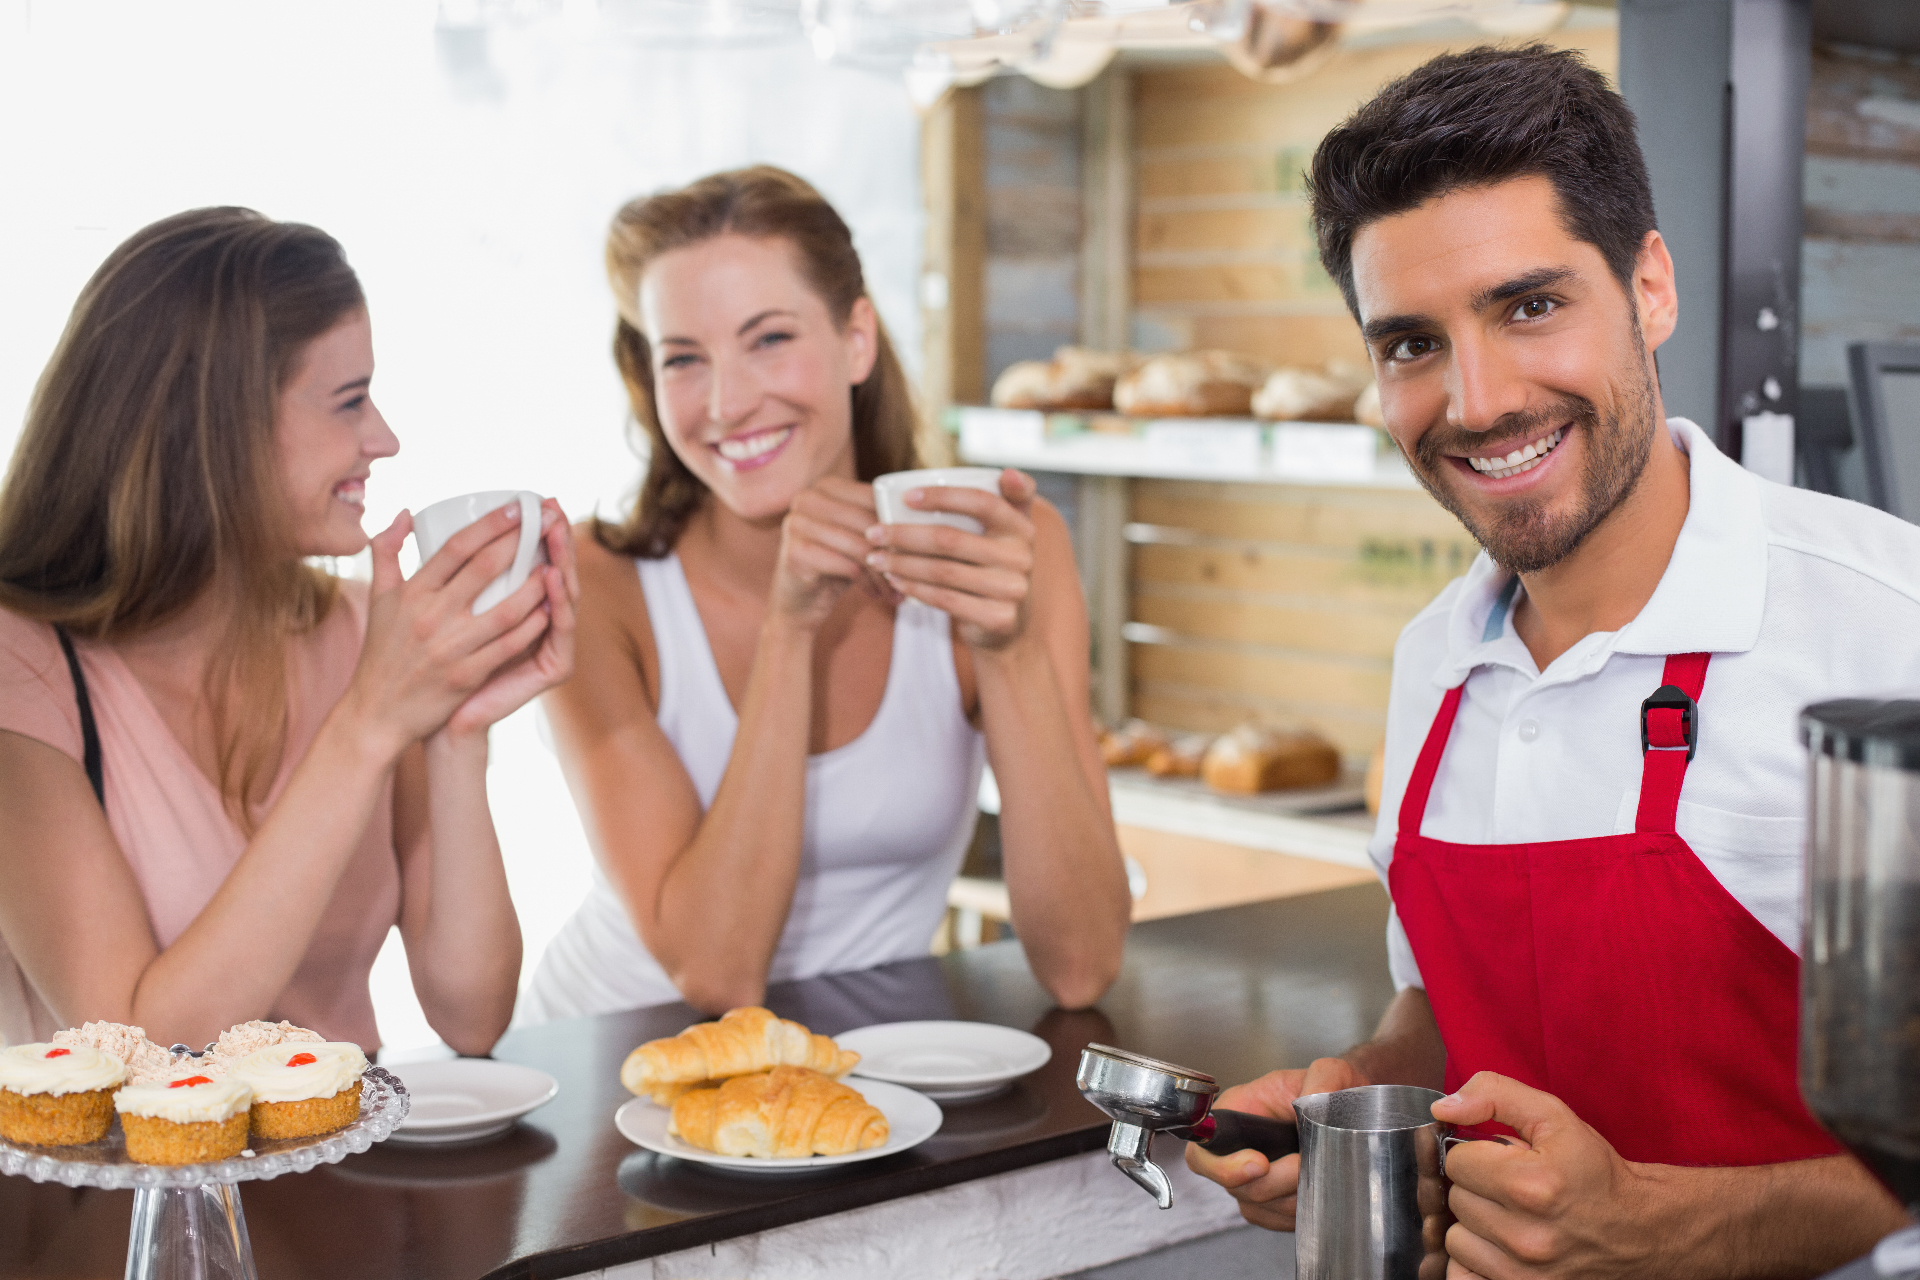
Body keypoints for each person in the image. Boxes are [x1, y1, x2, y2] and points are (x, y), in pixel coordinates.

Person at [1188, 45, 1915, 1275]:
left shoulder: (1885, 627)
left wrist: (1673, 1229)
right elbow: (1444, 1014)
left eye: (1529, 305)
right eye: (1411, 343)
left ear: (1651, 287)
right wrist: (1358, 1095)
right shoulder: (1435, 659)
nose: (1475, 400)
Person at [523, 166, 1128, 1021]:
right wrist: (790, 628)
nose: (727, 403)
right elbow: (714, 972)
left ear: (857, 340)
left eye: (769, 339)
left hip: (855, 1080)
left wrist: (1008, 649)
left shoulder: (999, 547)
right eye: (684, 359)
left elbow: (1081, 964)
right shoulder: (599, 583)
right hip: (612, 1068)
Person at [0, 208, 578, 1056]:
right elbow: (140, 1054)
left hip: (339, 1180)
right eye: (349, 401)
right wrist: (371, 723)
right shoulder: (23, 667)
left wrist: (458, 729)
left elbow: (472, 1010)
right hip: (130, 1192)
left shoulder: (355, 634)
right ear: (211, 424)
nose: (384, 439)